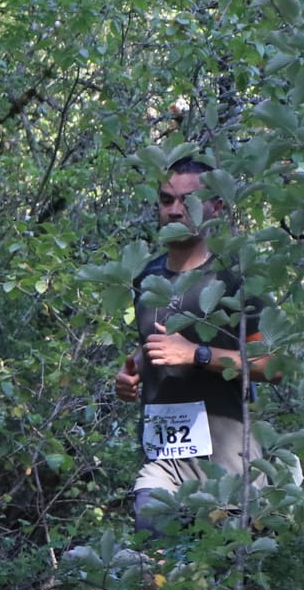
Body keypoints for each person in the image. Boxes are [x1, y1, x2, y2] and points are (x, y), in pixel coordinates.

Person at [113, 158, 274, 534]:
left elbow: (274, 364)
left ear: (215, 207)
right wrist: (130, 373)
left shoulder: (234, 279)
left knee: (216, 582)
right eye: (166, 200)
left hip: (229, 467)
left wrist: (198, 355)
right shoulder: (147, 277)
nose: (174, 210)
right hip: (165, 462)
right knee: (153, 557)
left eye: (187, 201)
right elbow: (156, 346)